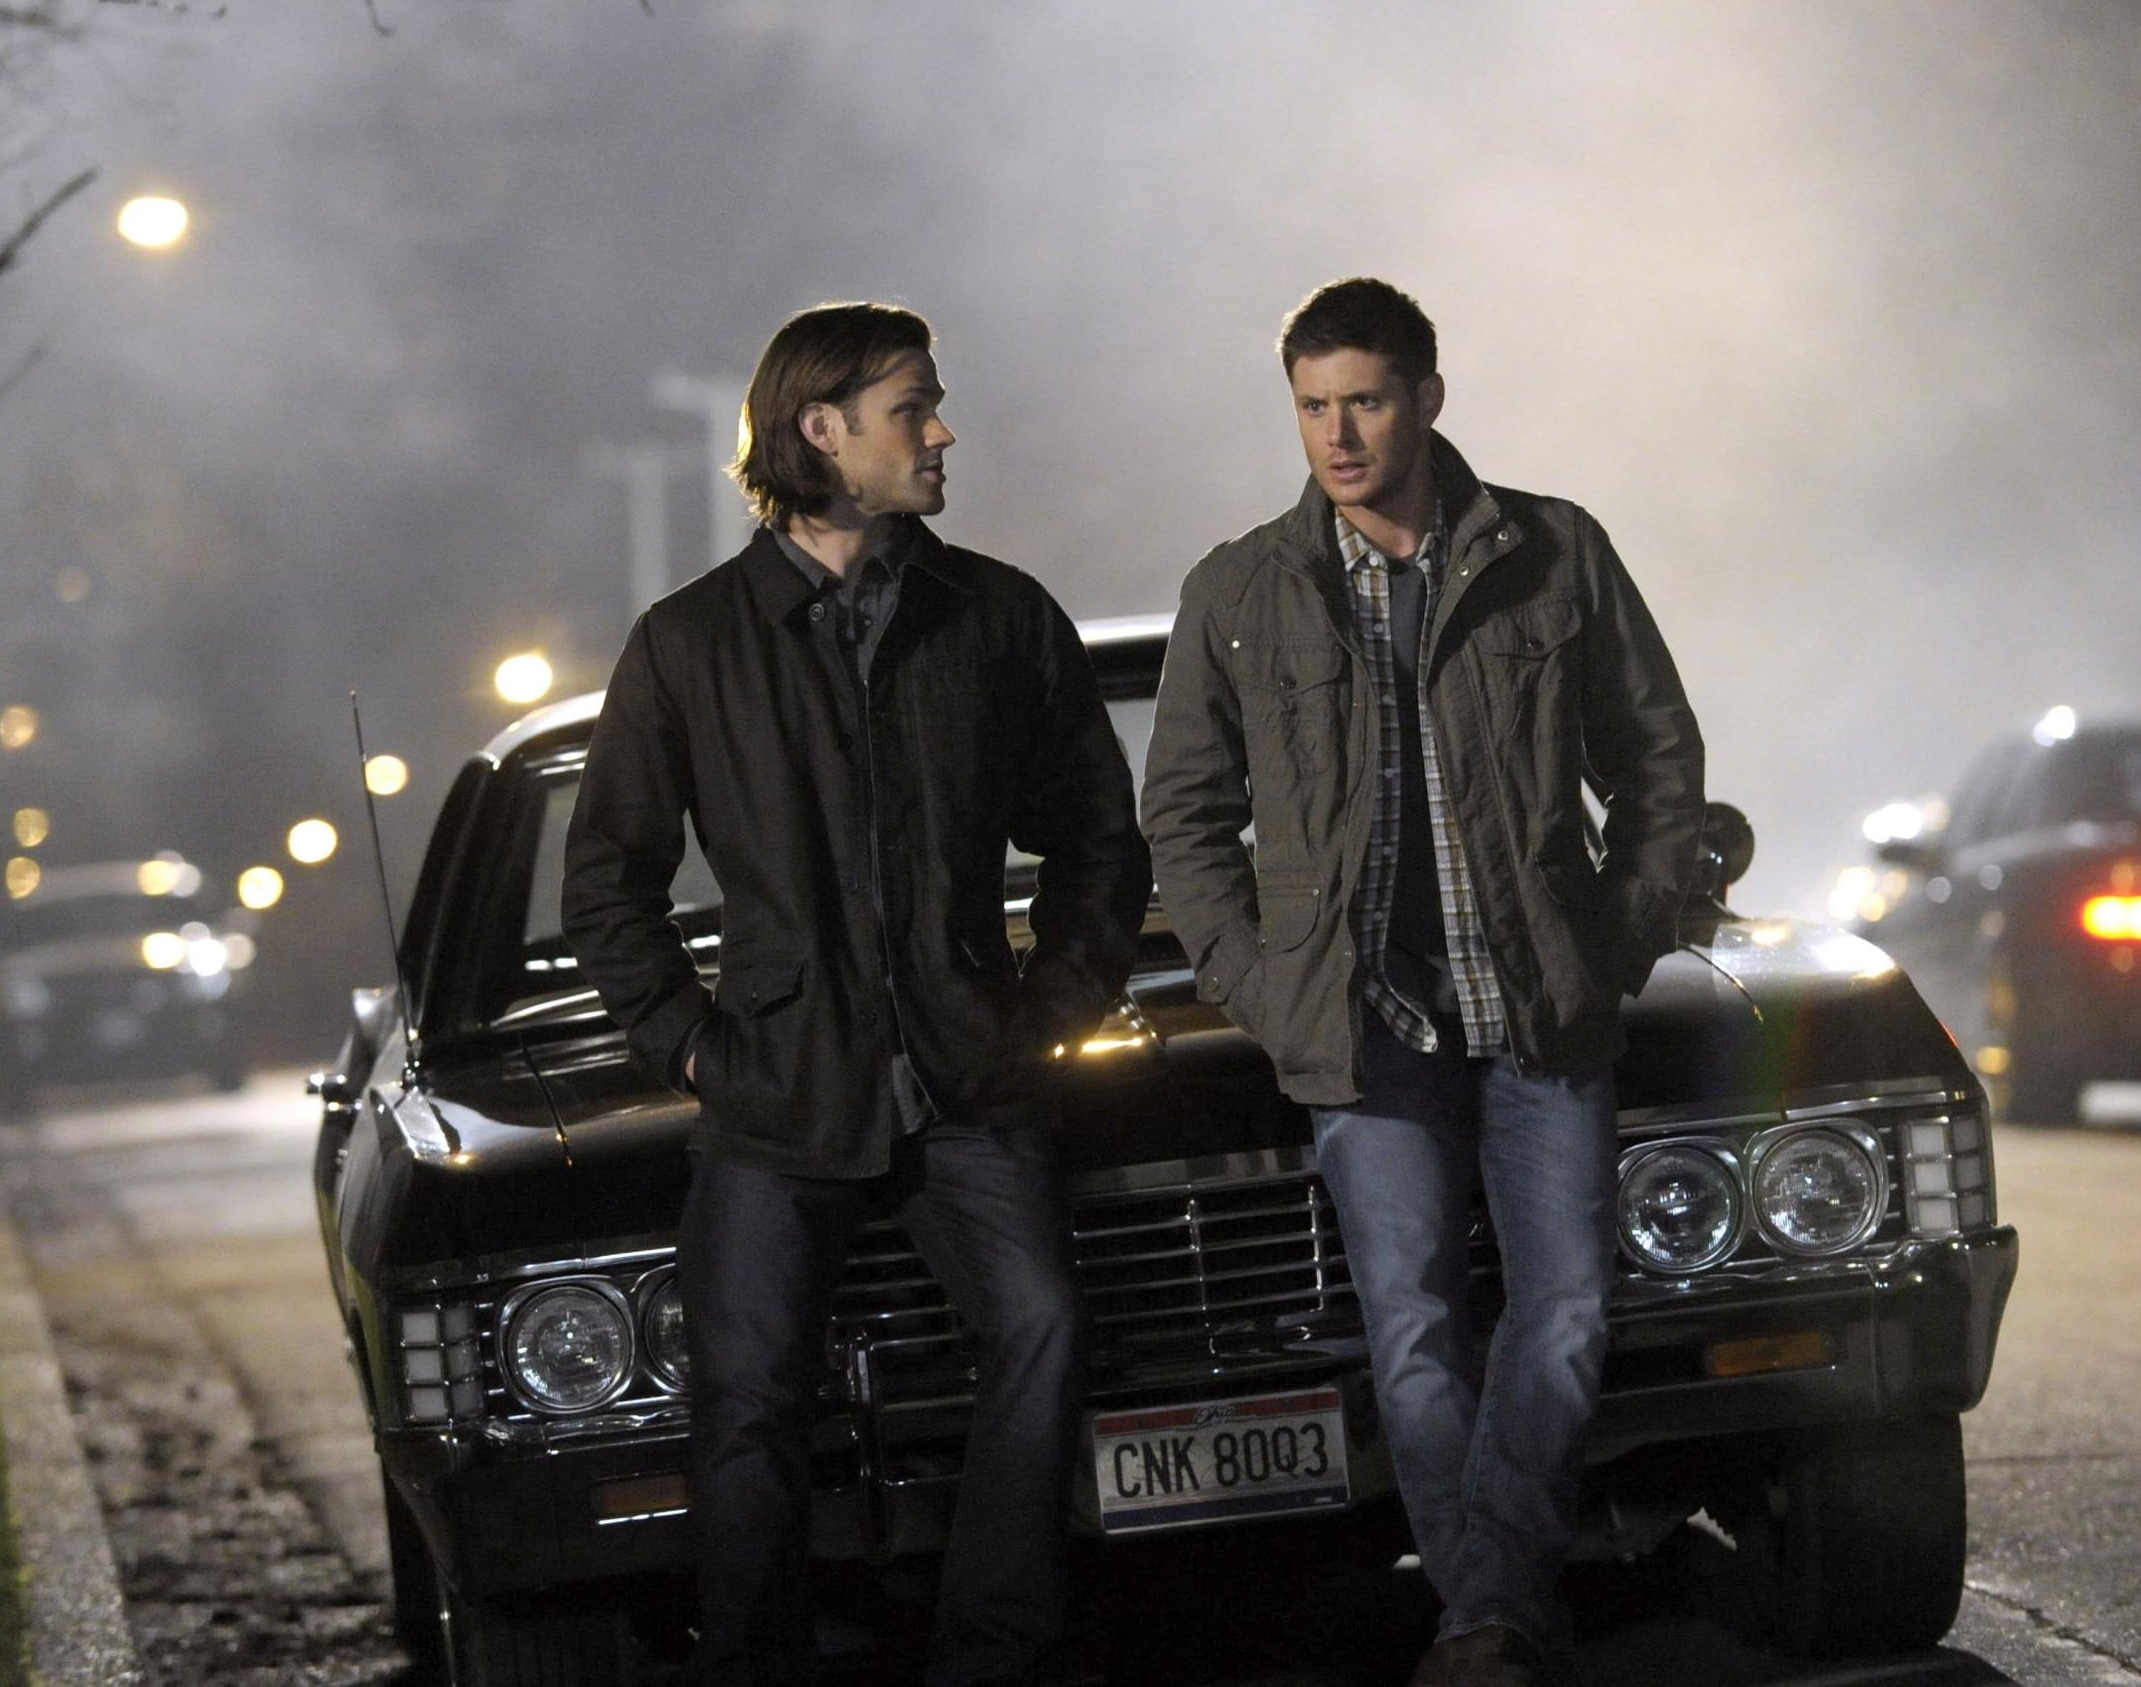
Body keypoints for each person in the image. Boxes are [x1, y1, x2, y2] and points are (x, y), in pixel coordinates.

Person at [562, 301, 1150, 1687]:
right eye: (912, 409)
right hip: (776, 1092)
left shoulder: (997, 616)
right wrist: (694, 1050)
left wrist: (1055, 1005)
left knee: (1043, 1329)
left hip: (968, 1074)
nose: (942, 434)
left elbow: (1097, 838)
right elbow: (607, 884)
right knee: (747, 1405)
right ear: (822, 430)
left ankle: (990, 1657)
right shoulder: (689, 643)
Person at [1138, 278, 1705, 1687]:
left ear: (1428, 399)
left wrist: (1615, 942)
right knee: (1413, 1333)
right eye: (1312, 407)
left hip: (1537, 1005)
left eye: (1366, 402)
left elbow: (1658, 764)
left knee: (1567, 1318)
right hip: (1360, 1025)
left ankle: (1480, 1616)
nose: (1337, 435)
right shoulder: (1241, 590)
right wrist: (1263, 988)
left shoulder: (1553, 552)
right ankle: (1497, 1621)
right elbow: (1186, 820)